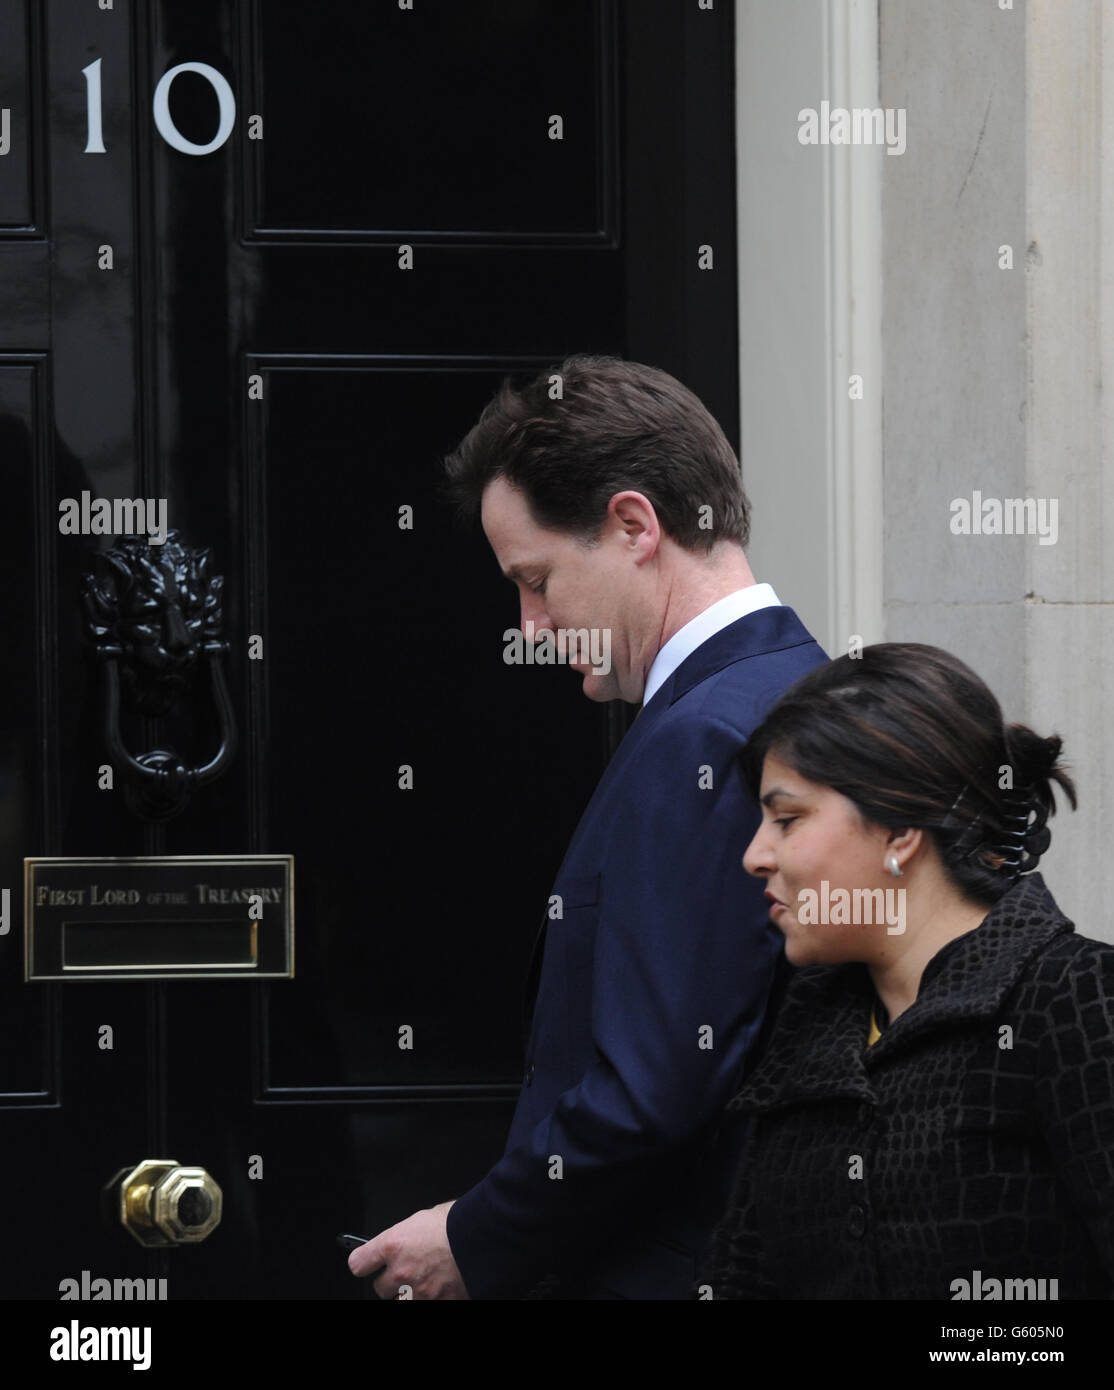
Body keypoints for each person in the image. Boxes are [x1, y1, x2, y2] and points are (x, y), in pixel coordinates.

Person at [346, 354, 827, 1298]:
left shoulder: (707, 734)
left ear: (634, 526)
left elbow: (654, 1089)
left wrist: (476, 1237)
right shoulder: (795, 686)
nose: (528, 625)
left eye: (536, 579)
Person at [702, 642, 1114, 1299]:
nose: (756, 854)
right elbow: (742, 1273)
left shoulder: (1074, 998)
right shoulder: (815, 1015)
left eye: (787, 819)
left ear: (899, 830)